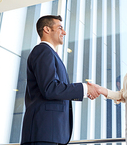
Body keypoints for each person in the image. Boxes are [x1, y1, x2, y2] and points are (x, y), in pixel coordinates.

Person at [21, 15, 99, 145]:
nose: (64, 32)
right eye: (60, 28)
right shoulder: (43, 51)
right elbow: (50, 88)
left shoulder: (49, 54)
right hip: (43, 133)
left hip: (50, 134)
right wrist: (84, 88)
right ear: (47, 29)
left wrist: (85, 91)